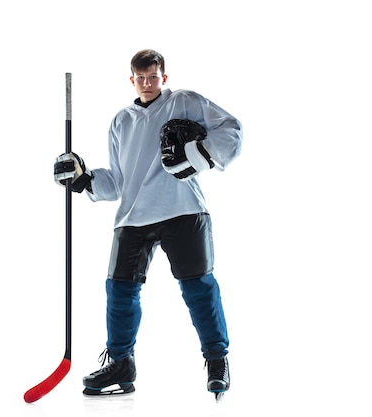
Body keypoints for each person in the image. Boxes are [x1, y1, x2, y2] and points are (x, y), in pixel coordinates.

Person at [53, 49, 243, 401]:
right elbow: (118, 182)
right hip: (133, 216)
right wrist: (82, 179)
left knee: (198, 287)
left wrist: (198, 156)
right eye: (141, 78)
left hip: (183, 209)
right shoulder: (120, 121)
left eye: (153, 77)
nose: (147, 83)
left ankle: (217, 360)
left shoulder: (183, 101)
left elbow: (231, 130)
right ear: (132, 80)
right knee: (119, 291)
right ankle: (122, 363)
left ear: (163, 78)